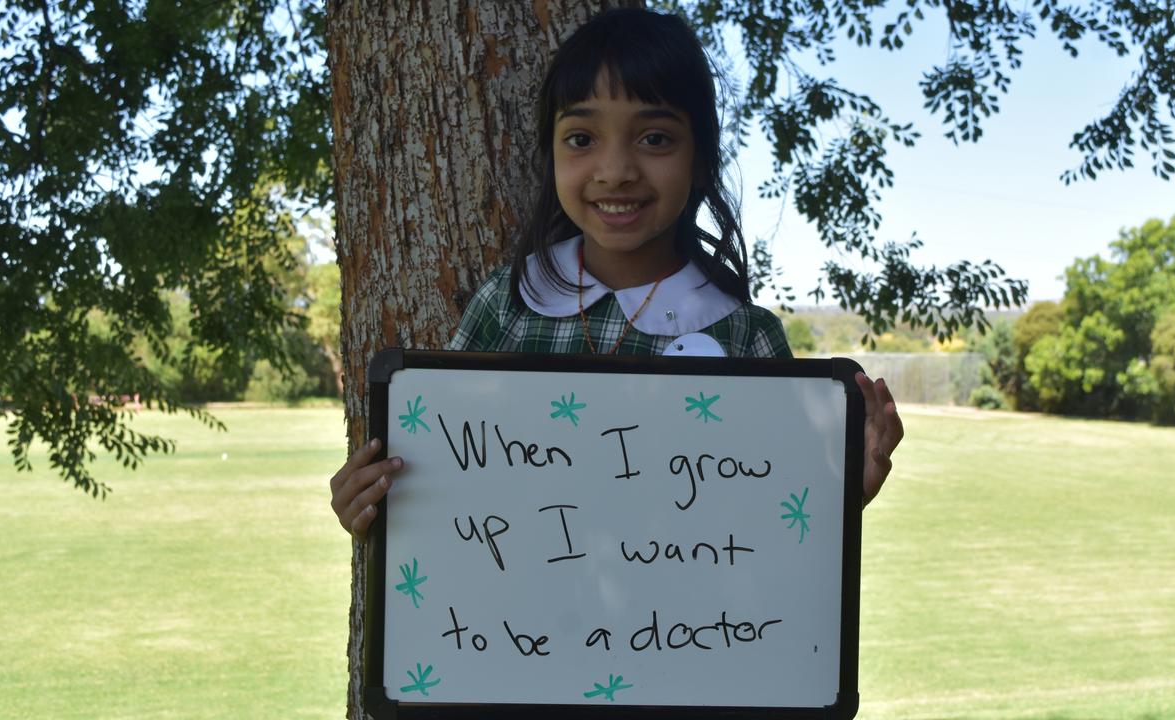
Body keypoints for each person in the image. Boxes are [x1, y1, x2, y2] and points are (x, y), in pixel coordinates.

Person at [329, 8, 903, 541]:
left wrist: (843, 493)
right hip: (514, 641)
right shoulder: (506, 307)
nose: (615, 170)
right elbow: (440, 485)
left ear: (700, 159)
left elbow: (772, 524)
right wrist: (374, 505)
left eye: (655, 138)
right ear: (551, 155)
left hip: (692, 639)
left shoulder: (745, 338)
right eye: (582, 139)